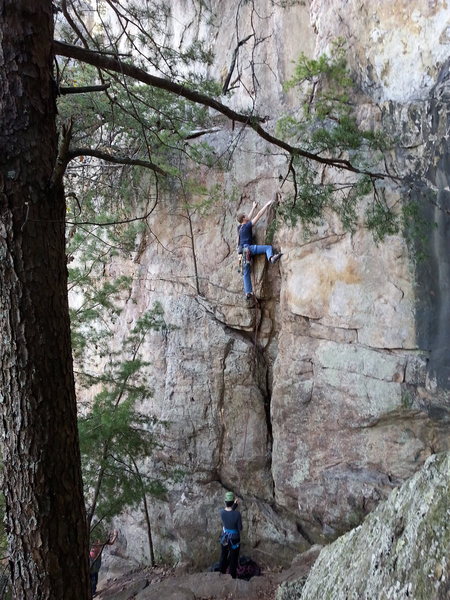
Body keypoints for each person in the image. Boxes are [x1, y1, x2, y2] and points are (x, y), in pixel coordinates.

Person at [237, 191, 282, 299]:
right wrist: (267, 205)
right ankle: (271, 258)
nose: (248, 215)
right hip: (250, 249)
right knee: (268, 247)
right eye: (246, 215)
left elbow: (248, 217)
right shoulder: (247, 226)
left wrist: (253, 207)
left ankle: (248, 292)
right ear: (244, 218)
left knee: (246, 273)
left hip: (242, 253)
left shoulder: (240, 228)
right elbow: (258, 215)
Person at [218, 491, 243, 579]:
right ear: (233, 502)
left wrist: (234, 506)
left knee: (223, 555)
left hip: (224, 537)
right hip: (234, 539)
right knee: (233, 558)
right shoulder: (237, 514)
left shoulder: (221, 512)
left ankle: (220, 574)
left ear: (225, 502)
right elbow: (240, 528)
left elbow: (229, 513)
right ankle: (232, 577)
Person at [89, 530, 118, 597]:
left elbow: (111, 542)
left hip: (96, 563)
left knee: (94, 577)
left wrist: (115, 535)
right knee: (93, 578)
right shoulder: (94, 544)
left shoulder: (99, 543)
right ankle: (92, 592)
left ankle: (93, 592)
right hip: (92, 562)